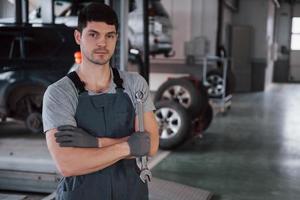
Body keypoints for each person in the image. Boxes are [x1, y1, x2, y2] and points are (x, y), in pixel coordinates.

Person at [42, 2, 159, 200]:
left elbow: (150, 145)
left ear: (116, 38)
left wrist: (94, 143)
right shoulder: (59, 93)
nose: (102, 43)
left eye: (109, 35)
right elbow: (68, 164)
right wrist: (129, 146)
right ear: (78, 36)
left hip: (131, 193)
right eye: (93, 34)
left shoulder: (135, 84)